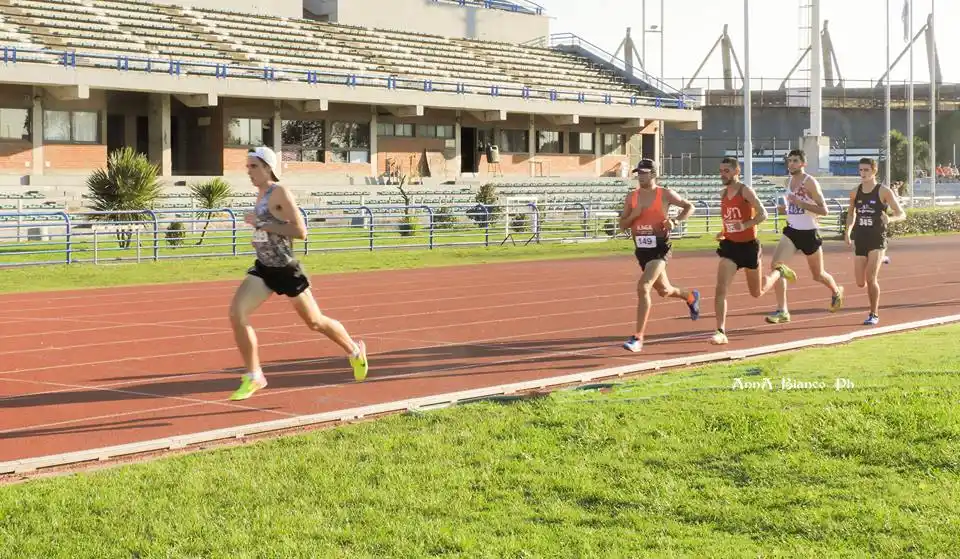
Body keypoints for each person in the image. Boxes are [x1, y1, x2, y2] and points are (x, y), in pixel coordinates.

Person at [227, 146, 368, 401]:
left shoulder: (279, 191)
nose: (249, 171)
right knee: (237, 313)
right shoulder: (259, 194)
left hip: (285, 269)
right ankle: (254, 375)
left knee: (315, 322)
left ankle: (354, 350)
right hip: (263, 268)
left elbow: (301, 231)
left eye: (254, 166)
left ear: (268, 167)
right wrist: (259, 237)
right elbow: (269, 229)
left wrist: (263, 225)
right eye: (247, 166)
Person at [710, 157, 797, 345]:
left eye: (726, 170)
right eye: (721, 171)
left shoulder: (745, 191)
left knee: (757, 292)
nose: (722, 174)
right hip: (730, 247)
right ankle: (720, 331)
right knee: (720, 289)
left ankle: (779, 272)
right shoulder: (723, 194)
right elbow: (729, 221)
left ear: (736, 171)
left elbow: (763, 214)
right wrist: (723, 232)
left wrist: (745, 225)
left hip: (749, 247)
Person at [618, 158, 700, 353]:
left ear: (654, 174)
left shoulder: (664, 194)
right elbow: (622, 226)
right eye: (638, 173)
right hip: (642, 250)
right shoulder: (632, 197)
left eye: (644, 173)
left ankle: (637, 338)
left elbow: (689, 207)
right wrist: (634, 216)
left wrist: (676, 221)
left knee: (643, 287)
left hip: (660, 248)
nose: (640, 176)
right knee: (664, 290)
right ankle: (690, 297)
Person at [765, 149, 844, 324]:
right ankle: (782, 311)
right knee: (776, 266)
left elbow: (824, 210)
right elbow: (792, 207)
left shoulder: (810, 182)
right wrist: (785, 210)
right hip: (792, 231)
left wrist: (801, 204)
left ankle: (836, 291)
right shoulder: (788, 180)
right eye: (789, 160)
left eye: (795, 161)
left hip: (809, 233)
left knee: (818, 275)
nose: (791, 164)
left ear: (803, 164)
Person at [844, 157, 905, 325]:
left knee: (871, 279)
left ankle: (873, 313)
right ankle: (882, 259)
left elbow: (901, 213)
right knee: (860, 282)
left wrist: (890, 219)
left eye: (866, 170)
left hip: (877, 239)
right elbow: (851, 214)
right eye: (861, 170)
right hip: (860, 238)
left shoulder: (883, 191)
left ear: (874, 171)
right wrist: (847, 231)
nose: (862, 173)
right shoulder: (855, 192)